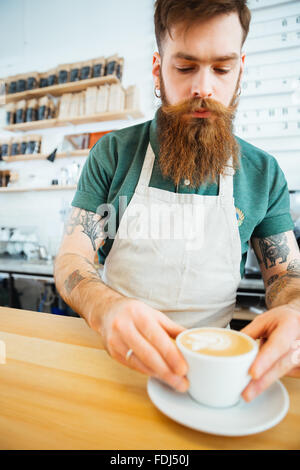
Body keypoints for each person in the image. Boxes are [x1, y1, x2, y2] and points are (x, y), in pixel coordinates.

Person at [54, 0, 300, 401]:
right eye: (185, 67)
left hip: (209, 379)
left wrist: (293, 311)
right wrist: (103, 308)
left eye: (222, 68)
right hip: (114, 363)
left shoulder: (263, 173)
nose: (203, 88)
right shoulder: (114, 154)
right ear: (158, 69)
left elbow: (288, 276)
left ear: (240, 71)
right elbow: (71, 258)